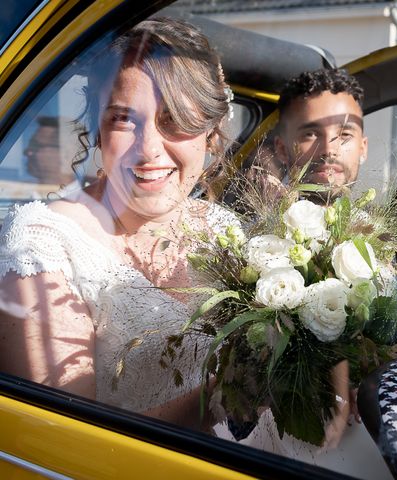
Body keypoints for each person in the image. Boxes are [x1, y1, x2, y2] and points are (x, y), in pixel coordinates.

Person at [0, 17, 237, 428]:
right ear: (97, 128)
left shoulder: (225, 230)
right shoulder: (43, 246)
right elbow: (64, 444)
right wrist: (227, 395)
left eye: (173, 119)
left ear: (210, 133)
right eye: (125, 119)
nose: (148, 150)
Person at [273, 68, 368, 201]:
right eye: (310, 134)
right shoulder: (252, 222)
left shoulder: (377, 222)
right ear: (282, 149)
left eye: (345, 134)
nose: (329, 151)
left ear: (362, 148)